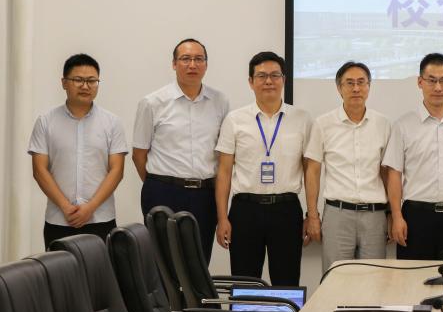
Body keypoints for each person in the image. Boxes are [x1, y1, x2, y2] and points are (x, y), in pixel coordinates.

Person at [214, 51, 312, 285]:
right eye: (261, 76)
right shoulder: (234, 120)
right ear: (251, 82)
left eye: (275, 75)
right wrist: (222, 218)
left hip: (286, 210)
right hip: (245, 210)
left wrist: (311, 215)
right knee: (245, 282)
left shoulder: (302, 119)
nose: (269, 81)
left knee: (287, 282)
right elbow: (224, 172)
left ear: (284, 80)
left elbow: (310, 171)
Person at [132, 38, 229, 264]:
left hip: (204, 195)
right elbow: (139, 155)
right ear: (174, 64)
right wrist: (159, 183)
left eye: (198, 59)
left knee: (198, 264)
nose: (192, 65)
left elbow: (222, 156)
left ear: (206, 64)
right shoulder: (152, 102)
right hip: (163, 192)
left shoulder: (220, 101)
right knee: (163, 265)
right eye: (185, 59)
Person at [383, 53, 443, 260]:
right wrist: (397, 216)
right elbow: (394, 175)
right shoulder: (403, 125)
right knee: (412, 277)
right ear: (420, 82)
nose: (438, 87)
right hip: (415, 217)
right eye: (431, 80)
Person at [29, 54, 128, 249]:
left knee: (100, 269)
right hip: (59, 219)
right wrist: (65, 207)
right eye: (78, 80)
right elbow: (39, 170)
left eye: (91, 81)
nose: (85, 86)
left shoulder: (112, 123)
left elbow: (117, 170)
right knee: (59, 269)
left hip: (101, 218)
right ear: (64, 83)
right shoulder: (46, 121)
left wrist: (90, 208)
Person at [304, 61, 391, 272]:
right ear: (339, 88)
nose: (356, 88)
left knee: (373, 280)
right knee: (335, 279)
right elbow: (313, 171)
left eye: (361, 82)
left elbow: (387, 173)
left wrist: (391, 214)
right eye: (349, 83)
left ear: (369, 86)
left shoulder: (383, 124)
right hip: (337, 214)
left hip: (375, 215)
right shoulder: (323, 124)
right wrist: (313, 216)